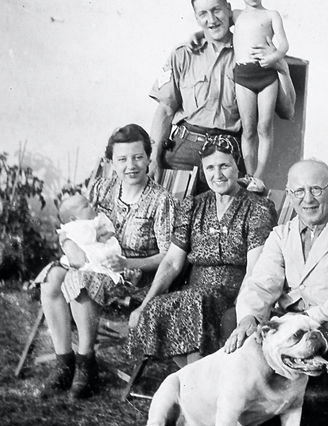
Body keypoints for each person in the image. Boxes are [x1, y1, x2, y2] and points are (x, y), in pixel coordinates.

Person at [37, 124, 177, 399]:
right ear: (112, 163)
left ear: (149, 157)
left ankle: (86, 364)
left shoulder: (162, 201)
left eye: (138, 157)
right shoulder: (102, 187)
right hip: (92, 264)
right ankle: (64, 363)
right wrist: (68, 244)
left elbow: (168, 257)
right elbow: (74, 223)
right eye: (122, 159)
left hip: (132, 280)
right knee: (51, 276)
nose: (131, 166)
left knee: (80, 281)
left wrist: (127, 264)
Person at [127, 135, 277, 367]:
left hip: (234, 294)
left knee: (196, 304)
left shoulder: (257, 207)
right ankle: (196, 380)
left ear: (238, 166)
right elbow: (172, 263)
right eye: (210, 168)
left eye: (224, 165)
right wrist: (145, 303)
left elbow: (254, 268)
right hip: (194, 294)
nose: (217, 175)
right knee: (164, 305)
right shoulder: (193, 205)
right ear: (203, 171)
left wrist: (243, 306)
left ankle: (195, 383)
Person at [224, 159, 328, 373]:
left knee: (321, 338)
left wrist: (307, 318)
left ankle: (303, 402)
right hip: (293, 326)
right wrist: (249, 317)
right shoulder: (281, 236)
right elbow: (261, 284)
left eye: (316, 189)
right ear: (289, 195)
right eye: (299, 191)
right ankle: (257, 399)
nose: (308, 199)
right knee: (234, 322)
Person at [149, 0, 296, 191]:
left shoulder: (251, 51)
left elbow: (288, 110)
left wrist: (283, 69)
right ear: (196, 18)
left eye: (216, 10)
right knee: (173, 217)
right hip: (184, 151)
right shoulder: (183, 54)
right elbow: (164, 110)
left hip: (229, 156)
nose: (211, 20)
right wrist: (153, 158)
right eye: (203, 14)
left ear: (229, 9)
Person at [231, 0, 290, 194]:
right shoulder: (235, 15)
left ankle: (259, 176)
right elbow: (214, 26)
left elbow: (284, 44)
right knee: (248, 129)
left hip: (266, 75)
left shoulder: (271, 14)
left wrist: (273, 57)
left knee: (264, 127)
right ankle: (248, 174)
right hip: (243, 76)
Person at [56, 194, 124, 285]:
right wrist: (99, 232)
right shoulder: (74, 226)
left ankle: (119, 281)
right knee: (93, 264)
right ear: (73, 218)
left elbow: (110, 227)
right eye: (86, 206)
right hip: (86, 252)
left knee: (108, 259)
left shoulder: (99, 217)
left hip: (102, 247)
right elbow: (85, 238)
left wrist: (106, 235)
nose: (92, 205)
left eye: (89, 203)